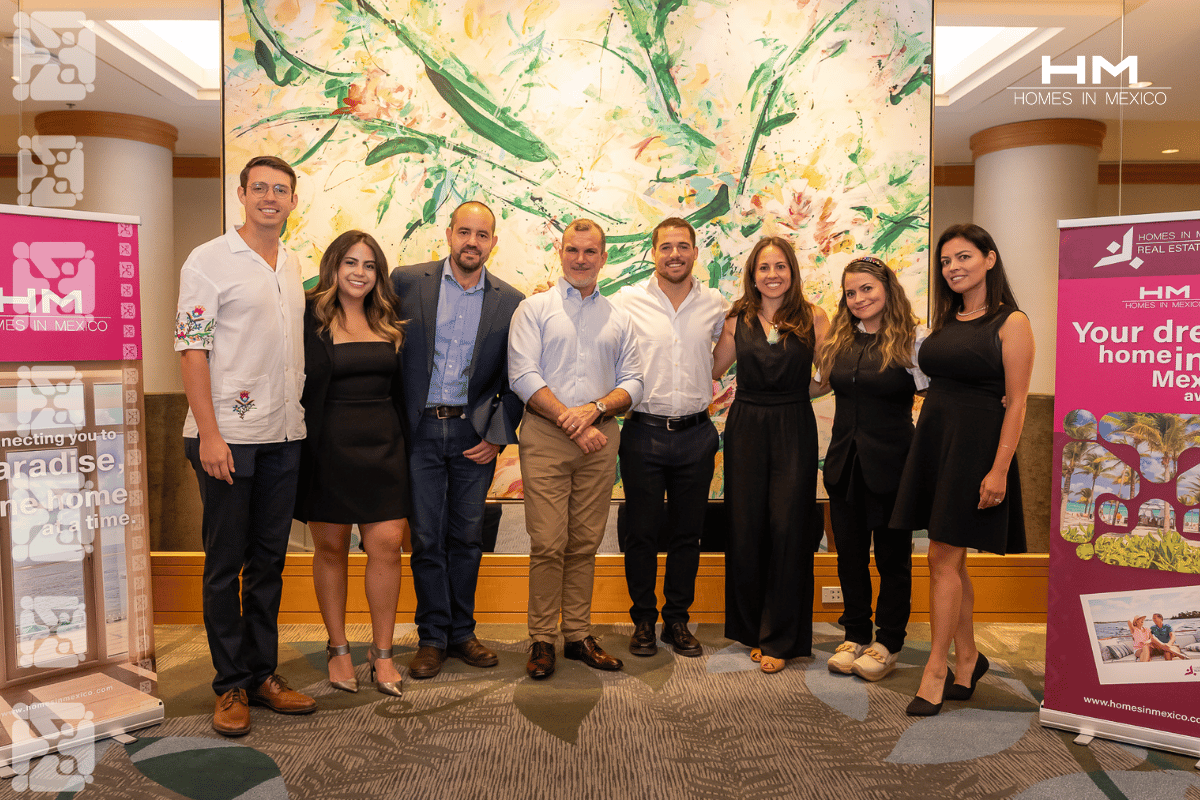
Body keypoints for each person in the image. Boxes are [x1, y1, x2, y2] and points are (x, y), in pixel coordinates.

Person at [176, 155, 316, 736]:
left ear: (291, 202)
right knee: (224, 564)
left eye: (280, 190)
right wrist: (209, 432)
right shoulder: (208, 261)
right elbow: (192, 348)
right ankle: (229, 684)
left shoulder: (293, 263)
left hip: (285, 435)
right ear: (241, 194)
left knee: (269, 564)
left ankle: (263, 674)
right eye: (260, 187)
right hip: (227, 440)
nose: (270, 197)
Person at [891, 223, 1035, 716]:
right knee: (951, 558)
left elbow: (1016, 404)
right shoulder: (946, 320)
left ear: (990, 259)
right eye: (946, 261)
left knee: (940, 558)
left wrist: (998, 471)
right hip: (936, 441)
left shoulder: (1012, 322)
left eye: (963, 257)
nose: (953, 267)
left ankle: (936, 668)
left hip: (976, 450)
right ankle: (969, 657)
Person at [393, 201, 524, 679]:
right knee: (426, 538)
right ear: (448, 234)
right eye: (464, 231)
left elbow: (517, 377)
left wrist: (496, 436)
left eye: (482, 234)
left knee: (467, 537)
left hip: (473, 437)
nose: (472, 241)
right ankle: (431, 637)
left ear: (493, 242)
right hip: (420, 431)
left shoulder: (511, 301)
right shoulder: (406, 282)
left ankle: (462, 633)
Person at [508, 218, 643, 679]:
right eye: (572, 251)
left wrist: (596, 409)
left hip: (600, 440)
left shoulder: (620, 317)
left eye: (590, 252)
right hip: (547, 437)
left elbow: (635, 382)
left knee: (584, 543)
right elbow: (523, 377)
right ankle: (542, 637)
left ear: (604, 257)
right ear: (560, 254)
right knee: (548, 542)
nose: (580, 259)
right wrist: (573, 418)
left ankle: (577, 635)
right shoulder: (534, 309)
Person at [296, 230, 409, 697]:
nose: (359, 273)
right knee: (332, 549)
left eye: (368, 265)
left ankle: (381, 653)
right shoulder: (308, 318)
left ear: (377, 274)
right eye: (350, 263)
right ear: (334, 268)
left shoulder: (391, 320)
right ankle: (338, 647)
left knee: (386, 546)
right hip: (327, 449)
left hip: (385, 449)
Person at [712, 236, 829, 674]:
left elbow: (829, 374)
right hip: (746, 426)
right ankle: (754, 631)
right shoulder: (735, 319)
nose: (773, 274)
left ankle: (783, 637)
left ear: (792, 271)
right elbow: (713, 369)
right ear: (752, 273)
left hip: (794, 426)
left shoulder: (814, 317)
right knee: (746, 527)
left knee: (788, 528)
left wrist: (800, 393)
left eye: (780, 266)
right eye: (764, 267)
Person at [613, 217, 728, 658]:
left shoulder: (715, 304)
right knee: (641, 534)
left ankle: (676, 620)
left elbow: (721, 356)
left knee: (688, 534)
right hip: (643, 431)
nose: (674, 254)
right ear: (653, 253)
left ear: (695, 252)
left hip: (697, 434)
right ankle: (643, 619)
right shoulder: (626, 301)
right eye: (666, 247)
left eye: (683, 246)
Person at [815, 256, 926, 682]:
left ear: (887, 290)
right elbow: (822, 385)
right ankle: (856, 634)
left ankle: (889, 642)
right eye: (851, 292)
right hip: (846, 466)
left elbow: (936, 402)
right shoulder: (841, 340)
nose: (859, 298)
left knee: (894, 560)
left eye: (867, 289)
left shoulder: (914, 341)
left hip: (895, 467)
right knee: (850, 558)